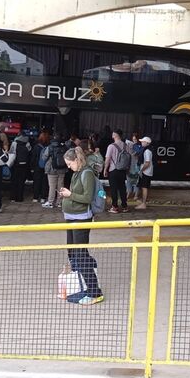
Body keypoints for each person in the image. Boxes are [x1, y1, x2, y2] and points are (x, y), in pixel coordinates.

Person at [60, 145, 104, 305]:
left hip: (81, 218)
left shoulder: (87, 174)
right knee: (73, 251)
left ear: (77, 160)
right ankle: (84, 285)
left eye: (69, 163)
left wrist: (70, 195)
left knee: (80, 254)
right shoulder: (78, 173)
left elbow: (87, 197)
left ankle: (95, 292)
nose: (68, 166)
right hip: (72, 217)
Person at [103, 129, 130, 214]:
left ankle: (114, 207)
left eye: (113, 133)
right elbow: (129, 158)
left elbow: (107, 159)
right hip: (122, 170)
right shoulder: (126, 145)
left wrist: (105, 169)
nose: (112, 135)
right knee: (122, 188)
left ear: (115, 135)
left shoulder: (111, 146)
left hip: (113, 170)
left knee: (114, 189)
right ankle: (125, 206)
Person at [42, 133, 68, 209]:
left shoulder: (49, 147)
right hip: (62, 169)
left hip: (52, 169)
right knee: (61, 186)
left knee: (52, 186)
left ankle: (50, 202)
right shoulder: (64, 147)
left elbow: (44, 158)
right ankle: (59, 202)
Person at [9, 132, 32, 202]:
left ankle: (13, 197)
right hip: (24, 165)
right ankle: (20, 198)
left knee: (14, 181)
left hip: (16, 164)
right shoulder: (27, 143)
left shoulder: (14, 143)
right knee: (21, 182)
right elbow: (29, 152)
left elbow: (11, 152)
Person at [31, 131, 50, 202]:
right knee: (45, 182)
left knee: (36, 182)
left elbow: (33, 157)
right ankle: (43, 197)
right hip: (46, 166)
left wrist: (32, 167)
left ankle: (35, 197)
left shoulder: (36, 146)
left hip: (37, 166)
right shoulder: (49, 146)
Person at [135, 136, 153, 210]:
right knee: (143, 187)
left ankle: (144, 204)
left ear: (147, 143)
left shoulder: (147, 151)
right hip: (147, 171)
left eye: (143, 141)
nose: (141, 142)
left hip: (146, 172)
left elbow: (147, 163)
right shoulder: (147, 150)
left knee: (144, 187)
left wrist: (141, 170)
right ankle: (143, 202)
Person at [125, 132, 142, 202]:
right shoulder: (131, 146)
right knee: (129, 179)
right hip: (130, 164)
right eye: (133, 139)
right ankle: (129, 193)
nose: (134, 141)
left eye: (135, 139)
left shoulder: (140, 147)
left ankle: (136, 195)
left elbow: (139, 155)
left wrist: (135, 153)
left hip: (137, 165)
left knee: (136, 179)